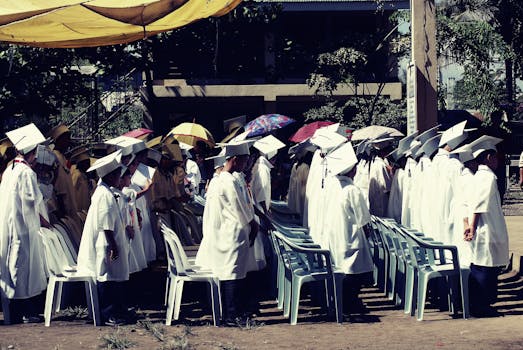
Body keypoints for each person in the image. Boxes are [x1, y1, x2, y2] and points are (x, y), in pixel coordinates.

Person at [0, 123, 51, 323]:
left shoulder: (10, 169)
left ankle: (17, 308)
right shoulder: (27, 172)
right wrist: (43, 221)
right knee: (23, 267)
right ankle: (23, 310)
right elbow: (33, 201)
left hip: (9, 226)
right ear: (31, 153)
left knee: (13, 264)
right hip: (23, 228)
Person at [77, 151, 130, 326]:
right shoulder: (104, 195)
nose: (119, 178)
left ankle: (116, 310)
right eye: (117, 175)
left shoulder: (106, 192)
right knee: (107, 276)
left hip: (109, 241)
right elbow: (106, 224)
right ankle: (107, 314)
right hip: (105, 243)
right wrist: (113, 245)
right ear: (109, 176)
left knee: (113, 276)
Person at [207, 141, 258, 326]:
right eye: (244, 160)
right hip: (233, 232)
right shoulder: (228, 181)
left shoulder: (222, 180)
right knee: (232, 273)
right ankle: (231, 314)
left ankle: (232, 312)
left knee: (232, 272)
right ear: (235, 160)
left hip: (228, 231)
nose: (246, 164)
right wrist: (252, 223)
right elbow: (240, 207)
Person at [322, 142, 374, 315]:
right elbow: (363, 218)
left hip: (334, 234)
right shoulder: (352, 189)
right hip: (351, 236)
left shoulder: (332, 186)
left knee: (344, 270)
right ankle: (350, 303)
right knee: (355, 272)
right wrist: (368, 235)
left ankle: (347, 302)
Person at [464, 136, 508, 317]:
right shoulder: (487, 177)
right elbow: (480, 204)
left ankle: (478, 305)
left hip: (480, 227)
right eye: (496, 157)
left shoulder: (476, 176)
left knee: (480, 265)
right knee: (486, 268)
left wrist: (467, 224)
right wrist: (472, 226)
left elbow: (467, 203)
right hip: (486, 228)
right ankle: (483, 307)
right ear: (488, 158)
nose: (498, 161)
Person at [47, 124, 78, 218]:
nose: (69, 142)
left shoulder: (63, 157)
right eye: (66, 139)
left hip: (69, 203)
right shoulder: (52, 157)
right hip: (61, 206)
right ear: (59, 140)